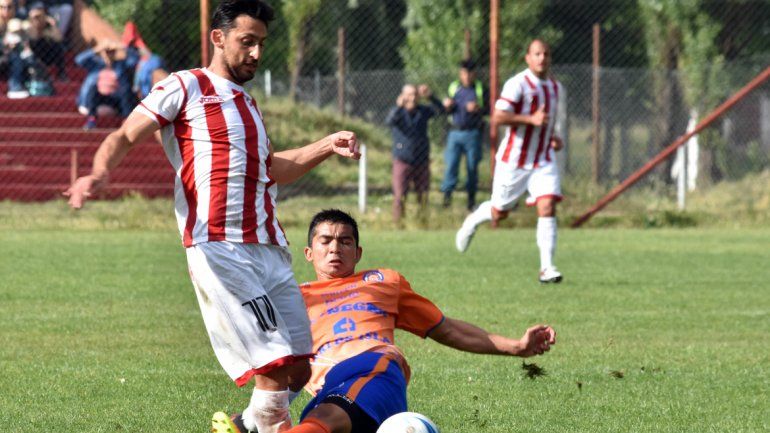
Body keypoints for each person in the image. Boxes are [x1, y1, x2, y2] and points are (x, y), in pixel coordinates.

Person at [64, 2, 360, 433]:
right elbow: (125, 134)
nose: (256, 53)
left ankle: (242, 427)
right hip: (220, 245)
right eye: (247, 42)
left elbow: (273, 169)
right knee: (273, 366)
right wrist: (97, 173)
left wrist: (327, 144)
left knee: (298, 369)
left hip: (271, 248)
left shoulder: (250, 106)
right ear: (218, 38)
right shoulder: (185, 86)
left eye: (261, 43)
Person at [210, 209, 556, 433]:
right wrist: (254, 415)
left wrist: (517, 347)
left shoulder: (383, 282)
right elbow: (276, 362)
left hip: (374, 368)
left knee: (328, 419)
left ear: (358, 253)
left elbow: (446, 328)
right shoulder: (293, 296)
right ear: (309, 252)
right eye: (326, 241)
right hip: (327, 387)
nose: (335, 249)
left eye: (346, 241)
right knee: (318, 421)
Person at [455, 40, 566, 284]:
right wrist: (530, 119)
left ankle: (547, 268)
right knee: (499, 213)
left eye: (546, 54)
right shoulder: (518, 84)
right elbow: (498, 116)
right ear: (528, 58)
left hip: (543, 159)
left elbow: (549, 123)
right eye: (537, 53)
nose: (542, 58)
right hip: (514, 161)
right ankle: (474, 219)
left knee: (547, 206)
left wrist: (554, 138)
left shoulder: (556, 88)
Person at [384, 83, 443, 223]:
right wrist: (399, 106)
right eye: (409, 94)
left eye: (415, 94)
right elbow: (389, 122)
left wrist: (430, 96)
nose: (413, 98)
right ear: (403, 96)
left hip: (421, 160)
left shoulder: (423, 111)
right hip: (402, 160)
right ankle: (398, 224)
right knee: (399, 196)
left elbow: (441, 110)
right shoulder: (397, 113)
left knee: (423, 195)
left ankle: (422, 222)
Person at [440, 59, 489, 211]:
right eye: (464, 73)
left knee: (472, 167)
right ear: (460, 74)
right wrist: (447, 105)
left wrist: (478, 109)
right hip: (455, 132)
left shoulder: (481, 89)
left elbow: (489, 110)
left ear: (474, 74)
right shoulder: (454, 88)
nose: (466, 77)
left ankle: (471, 202)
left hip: (472, 133)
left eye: (470, 73)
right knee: (451, 166)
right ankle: (447, 200)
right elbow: (447, 110)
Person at [74, 39, 139, 129]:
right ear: (102, 53)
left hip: (116, 98)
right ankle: (91, 120)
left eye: (111, 52)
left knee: (125, 89)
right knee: (92, 88)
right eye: (106, 52)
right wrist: (97, 49)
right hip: (100, 98)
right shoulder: (95, 64)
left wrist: (120, 46)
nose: (109, 54)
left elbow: (135, 59)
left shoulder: (121, 64)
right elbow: (78, 60)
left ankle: (126, 120)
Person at [0, 0, 34, 98]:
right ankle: (15, 86)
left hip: (14, 58)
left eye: (9, 7)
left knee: (17, 56)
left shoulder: (19, 22)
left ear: (14, 9)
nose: (5, 10)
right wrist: (4, 44)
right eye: (2, 7)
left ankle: (15, 88)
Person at [26, 2, 67, 81]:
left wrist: (53, 25)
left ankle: (61, 74)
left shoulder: (49, 26)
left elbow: (59, 38)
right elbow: (33, 37)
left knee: (58, 46)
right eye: (36, 17)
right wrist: (35, 24)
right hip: (34, 54)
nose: (38, 19)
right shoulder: (28, 26)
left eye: (40, 16)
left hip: (48, 54)